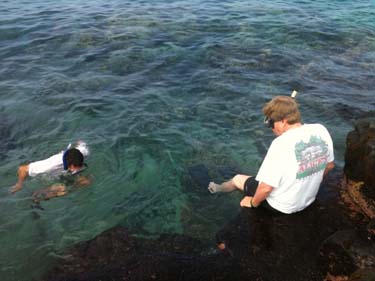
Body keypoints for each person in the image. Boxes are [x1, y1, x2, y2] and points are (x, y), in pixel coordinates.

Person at [208, 95, 334, 247]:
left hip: (281, 206)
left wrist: (253, 203)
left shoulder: (280, 144)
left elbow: (266, 188)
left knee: (238, 179)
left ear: (283, 121)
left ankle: (218, 189)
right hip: (308, 201)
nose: (271, 128)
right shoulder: (320, 129)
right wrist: (308, 181)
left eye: (271, 123)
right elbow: (329, 166)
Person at [10, 141, 91, 201]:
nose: (77, 170)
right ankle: (36, 197)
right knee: (62, 189)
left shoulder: (82, 152)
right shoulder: (50, 166)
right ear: (71, 166)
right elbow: (23, 169)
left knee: (85, 182)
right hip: (53, 173)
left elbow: (80, 143)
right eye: (76, 168)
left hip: (66, 167)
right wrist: (19, 184)